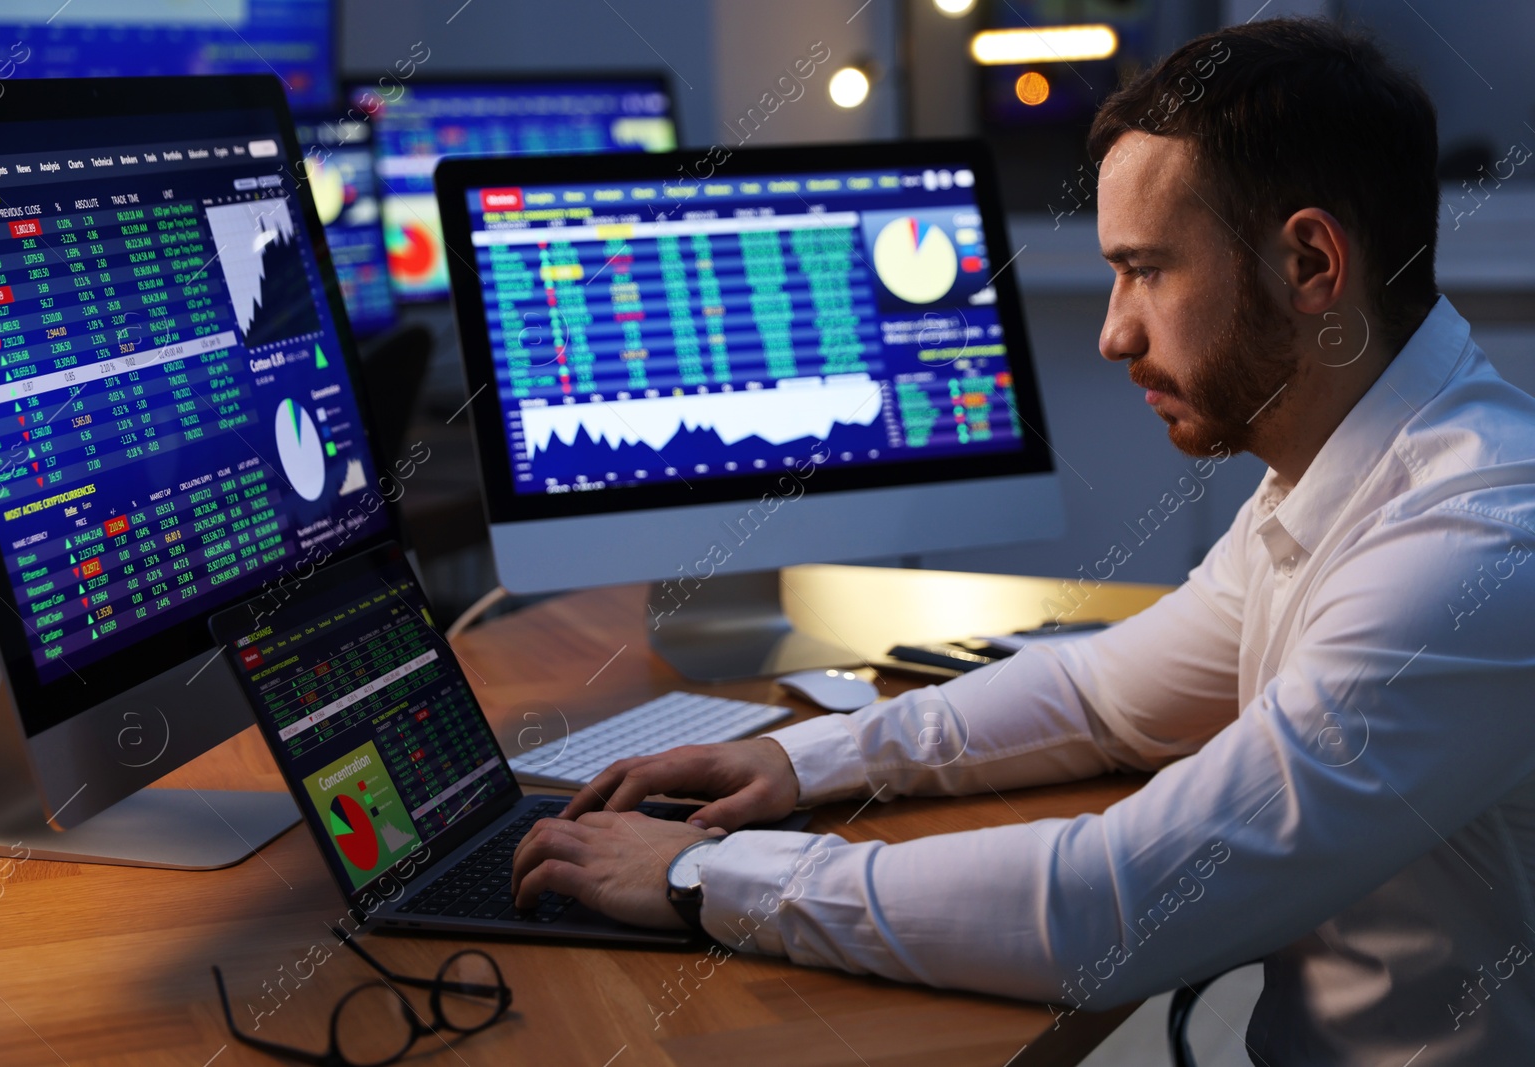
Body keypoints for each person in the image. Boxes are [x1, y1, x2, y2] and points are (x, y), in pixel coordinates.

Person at [510, 17, 1535, 1064]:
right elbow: (1099, 694)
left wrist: (696, 877)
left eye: (1147, 270)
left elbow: (1112, 909)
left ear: (1310, 262)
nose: (1112, 332)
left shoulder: (1468, 551)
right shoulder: (1337, 474)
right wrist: (791, 758)